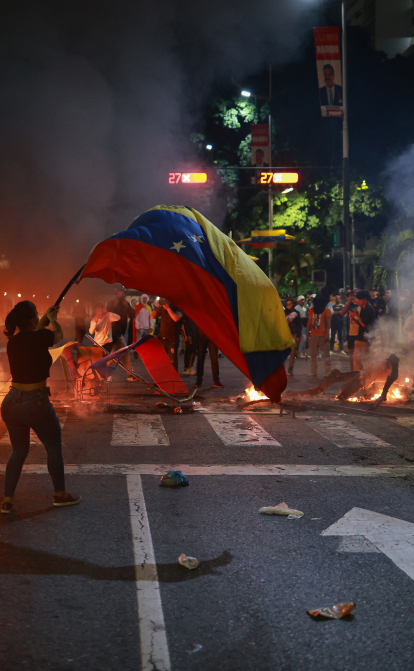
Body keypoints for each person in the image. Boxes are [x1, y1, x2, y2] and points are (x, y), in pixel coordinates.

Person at [1, 302, 81, 513]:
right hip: (35, 402)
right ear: (33, 320)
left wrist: (44, 315)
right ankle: (60, 494)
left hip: (11, 401)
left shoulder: (14, 342)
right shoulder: (40, 338)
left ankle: (7, 500)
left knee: (18, 452)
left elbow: (33, 333)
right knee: (53, 447)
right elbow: (58, 333)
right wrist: (53, 319)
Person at [106, 288, 135, 379]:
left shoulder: (125, 304)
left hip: (121, 332)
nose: (121, 296)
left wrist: (128, 307)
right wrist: (115, 305)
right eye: (119, 294)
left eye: (123, 294)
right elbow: (108, 314)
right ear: (116, 294)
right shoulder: (111, 303)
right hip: (114, 332)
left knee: (114, 354)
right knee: (124, 352)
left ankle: (104, 372)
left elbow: (132, 315)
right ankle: (130, 374)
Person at [151, 300, 183, 371]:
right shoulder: (162, 308)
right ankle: (162, 379)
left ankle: (174, 380)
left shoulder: (178, 308)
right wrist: (157, 307)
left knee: (173, 361)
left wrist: (168, 309)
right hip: (162, 338)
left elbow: (176, 318)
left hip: (173, 338)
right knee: (162, 360)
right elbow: (152, 316)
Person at [306, 294, 331, 378]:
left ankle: (327, 371)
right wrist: (307, 335)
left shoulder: (327, 311)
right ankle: (313, 371)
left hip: (323, 335)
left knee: (326, 355)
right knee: (313, 355)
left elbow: (328, 324)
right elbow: (309, 323)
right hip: (313, 335)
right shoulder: (312, 310)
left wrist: (327, 334)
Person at [352, 290, 376, 371]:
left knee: (362, 360)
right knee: (358, 359)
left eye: (359, 300)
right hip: (361, 337)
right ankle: (358, 377)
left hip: (365, 339)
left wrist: (357, 316)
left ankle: (362, 378)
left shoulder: (369, 309)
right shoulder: (363, 308)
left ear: (365, 300)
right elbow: (360, 323)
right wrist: (353, 319)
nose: (358, 302)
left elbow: (364, 324)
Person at [341, 290, 359, 370]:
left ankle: (359, 370)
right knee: (351, 352)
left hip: (360, 332)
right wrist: (348, 302)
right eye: (352, 295)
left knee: (360, 353)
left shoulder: (362, 304)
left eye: (355, 294)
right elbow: (342, 313)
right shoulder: (350, 304)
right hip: (351, 331)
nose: (353, 296)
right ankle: (352, 370)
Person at [284, 299, 302, 375]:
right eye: (287, 304)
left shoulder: (296, 314)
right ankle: (282, 370)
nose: (289, 306)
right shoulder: (283, 313)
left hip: (293, 334)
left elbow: (299, 325)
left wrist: (298, 336)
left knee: (292, 352)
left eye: (290, 304)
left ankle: (290, 370)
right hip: (284, 335)